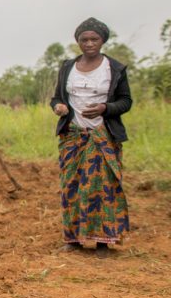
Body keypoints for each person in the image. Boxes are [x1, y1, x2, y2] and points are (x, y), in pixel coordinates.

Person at [50, 18, 132, 256]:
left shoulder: (114, 69)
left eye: (94, 39)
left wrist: (105, 108)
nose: (89, 44)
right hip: (73, 136)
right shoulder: (68, 67)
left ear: (103, 40)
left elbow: (126, 101)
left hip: (102, 135)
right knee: (71, 186)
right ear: (77, 42)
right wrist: (59, 108)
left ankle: (104, 242)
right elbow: (56, 98)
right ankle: (73, 240)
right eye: (84, 39)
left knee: (103, 187)